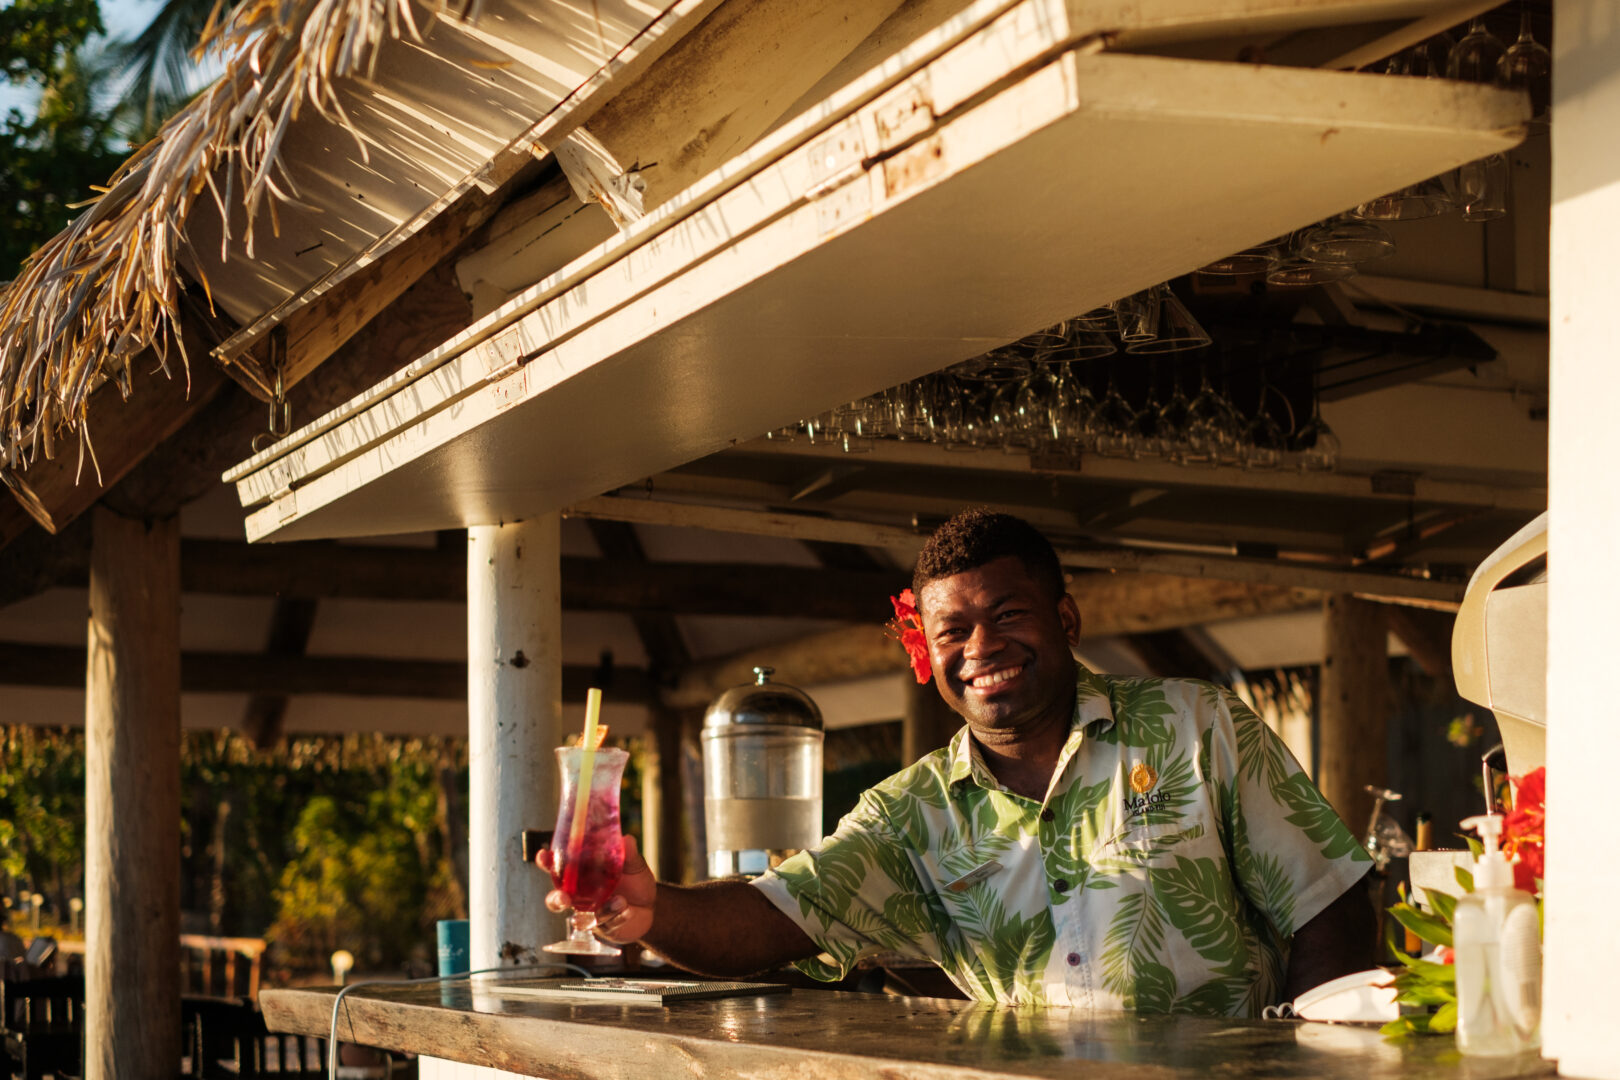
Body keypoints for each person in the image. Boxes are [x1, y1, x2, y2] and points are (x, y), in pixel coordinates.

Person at [542, 509, 1374, 1013]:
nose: (982, 649)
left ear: (1066, 620)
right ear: (927, 652)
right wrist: (652, 911)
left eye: (1008, 614)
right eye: (954, 631)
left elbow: (1328, 904)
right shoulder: (912, 815)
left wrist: (1319, 1061)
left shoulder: (1196, 726)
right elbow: (775, 915)